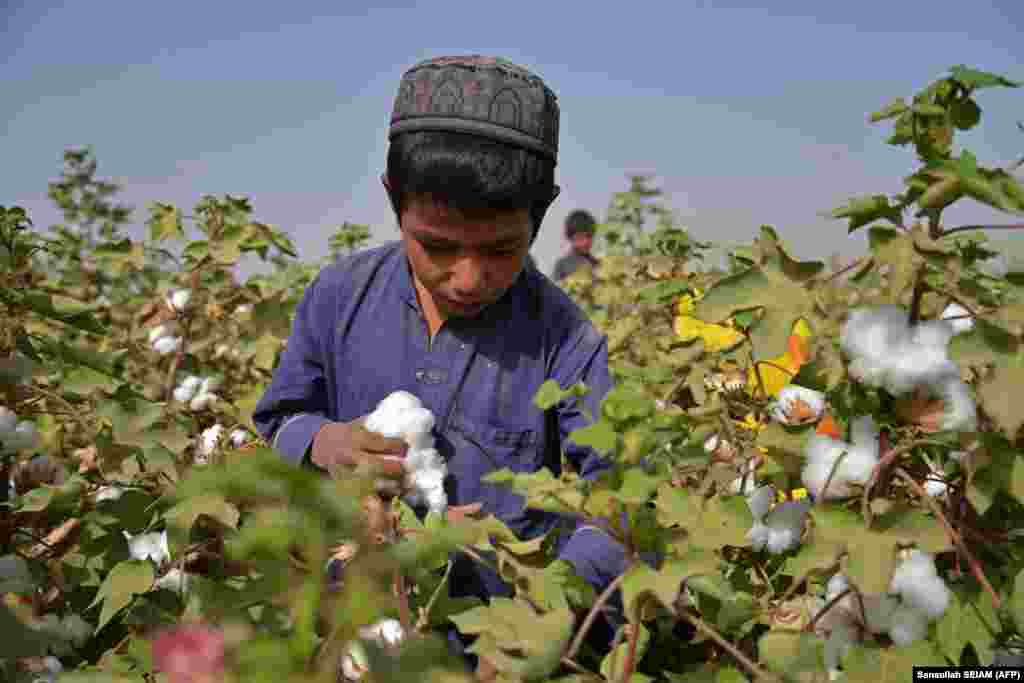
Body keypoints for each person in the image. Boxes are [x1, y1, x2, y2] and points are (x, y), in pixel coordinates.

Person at [252, 55, 647, 674]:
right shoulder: (339, 296)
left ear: (540, 216)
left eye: (500, 250)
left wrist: (546, 612)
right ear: (394, 202)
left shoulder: (565, 340)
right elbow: (280, 422)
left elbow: (618, 503)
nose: (467, 278)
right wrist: (327, 442)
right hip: (350, 635)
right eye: (436, 246)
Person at [552, 209, 600, 282]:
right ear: (570, 237)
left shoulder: (598, 265)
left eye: (589, 236)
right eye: (580, 237)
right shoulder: (562, 265)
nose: (586, 242)